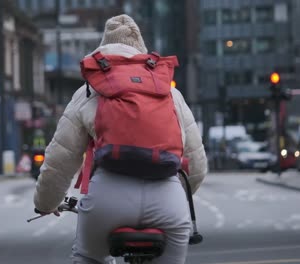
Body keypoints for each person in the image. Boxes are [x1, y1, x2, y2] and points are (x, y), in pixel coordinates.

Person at [33, 14, 207, 264]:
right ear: (141, 51)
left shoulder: (90, 90)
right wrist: (174, 197)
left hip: (107, 200)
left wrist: (46, 202)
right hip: (168, 201)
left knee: (87, 257)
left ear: (103, 49)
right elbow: (196, 163)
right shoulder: (169, 92)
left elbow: (61, 158)